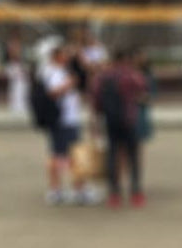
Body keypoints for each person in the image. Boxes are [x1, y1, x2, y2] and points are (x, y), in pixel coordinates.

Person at [90, 49, 149, 209]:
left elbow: (95, 102)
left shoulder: (102, 77)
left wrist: (95, 124)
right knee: (133, 156)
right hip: (129, 120)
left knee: (112, 155)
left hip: (110, 121)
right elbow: (143, 93)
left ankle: (114, 193)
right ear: (126, 60)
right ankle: (136, 192)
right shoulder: (132, 75)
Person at [41, 45, 90, 205]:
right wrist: (69, 84)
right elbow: (52, 93)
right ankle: (70, 190)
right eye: (64, 54)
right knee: (66, 155)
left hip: (69, 119)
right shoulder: (53, 73)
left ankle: (66, 189)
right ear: (56, 56)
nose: (68, 57)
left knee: (64, 154)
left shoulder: (63, 72)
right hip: (63, 120)